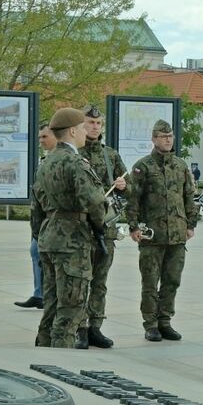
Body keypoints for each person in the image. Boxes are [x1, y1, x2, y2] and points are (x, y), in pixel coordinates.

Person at [33, 108, 103, 349]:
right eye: (84, 127)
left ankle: (41, 353)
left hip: (49, 238)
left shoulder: (46, 162)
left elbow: (36, 208)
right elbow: (94, 202)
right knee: (71, 309)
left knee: (51, 306)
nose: (87, 132)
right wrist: (102, 227)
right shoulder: (75, 162)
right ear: (73, 131)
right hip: (72, 242)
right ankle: (59, 363)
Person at [125, 120, 198, 342]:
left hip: (176, 234)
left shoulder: (180, 165)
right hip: (152, 235)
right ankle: (151, 324)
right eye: (162, 136)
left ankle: (165, 321)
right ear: (154, 139)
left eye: (170, 136)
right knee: (150, 282)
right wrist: (133, 226)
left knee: (172, 280)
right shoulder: (143, 167)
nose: (167, 139)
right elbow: (133, 199)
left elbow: (189, 196)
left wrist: (191, 224)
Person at [78, 104, 127, 349]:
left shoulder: (111, 155)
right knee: (80, 281)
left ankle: (95, 326)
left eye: (98, 123)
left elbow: (129, 190)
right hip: (81, 230)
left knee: (99, 281)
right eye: (89, 122)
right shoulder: (73, 153)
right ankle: (79, 328)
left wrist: (122, 185)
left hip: (105, 231)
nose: (94, 127)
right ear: (81, 124)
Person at [15, 125, 57, 311]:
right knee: (35, 252)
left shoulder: (64, 160)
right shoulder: (45, 160)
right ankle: (39, 294)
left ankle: (46, 295)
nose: (41, 140)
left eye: (44, 136)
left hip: (54, 221)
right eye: (39, 137)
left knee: (42, 254)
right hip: (40, 220)